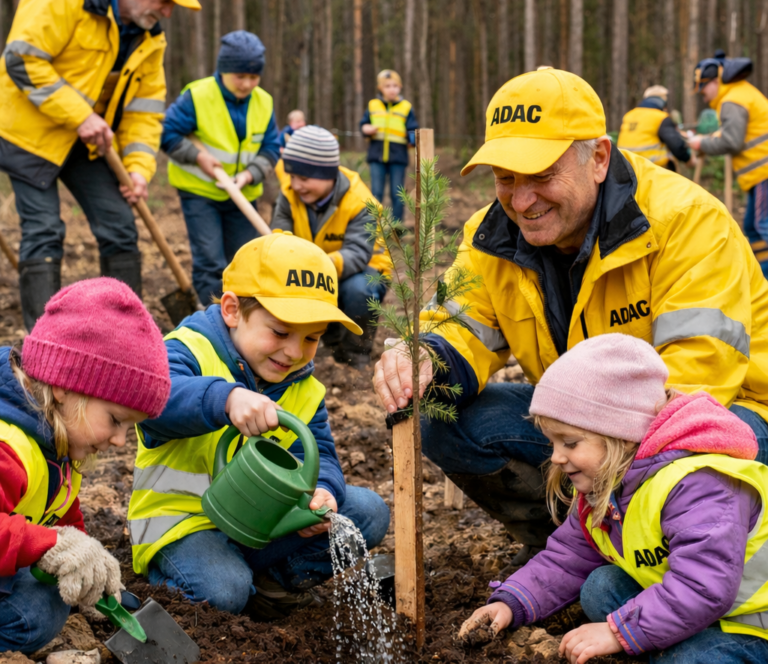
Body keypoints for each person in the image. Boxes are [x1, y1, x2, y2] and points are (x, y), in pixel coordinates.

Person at [373, 67, 768, 564]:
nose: (521, 201)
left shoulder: (685, 222)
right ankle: (566, 551)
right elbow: (461, 324)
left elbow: (696, 379)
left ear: (598, 158)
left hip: (721, 420)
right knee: (445, 417)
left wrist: (595, 441)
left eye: (542, 176)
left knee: (689, 465)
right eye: (505, 178)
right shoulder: (491, 237)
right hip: (583, 426)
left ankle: (665, 558)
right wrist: (428, 357)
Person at [460, 334, 768, 664]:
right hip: (697, 607)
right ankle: (658, 636)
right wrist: (510, 603)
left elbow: (702, 588)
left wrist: (617, 633)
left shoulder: (699, 484)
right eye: (553, 443)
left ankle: (664, 643)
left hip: (751, 625)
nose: (557, 458)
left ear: (623, 435)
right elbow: (567, 558)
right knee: (600, 587)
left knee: (690, 659)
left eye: (570, 443)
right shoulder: (606, 488)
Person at [127, 232, 390, 618]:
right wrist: (225, 399)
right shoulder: (188, 350)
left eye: (312, 338)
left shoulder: (303, 387)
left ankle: (270, 584)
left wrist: (322, 491)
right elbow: (152, 401)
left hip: (257, 523)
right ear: (232, 310)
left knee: (368, 511)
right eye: (280, 332)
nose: (294, 352)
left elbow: (319, 453)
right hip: (180, 523)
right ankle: (177, 584)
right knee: (223, 590)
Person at [0, 0, 201, 331]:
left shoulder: (150, 39)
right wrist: (80, 116)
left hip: (87, 142)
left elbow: (145, 110)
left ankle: (124, 335)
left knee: (119, 226)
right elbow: (21, 58)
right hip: (29, 135)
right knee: (44, 230)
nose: (167, 11)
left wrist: (139, 168)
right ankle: (46, 341)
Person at [0, 278, 171, 653]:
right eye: (115, 420)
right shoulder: (8, 447)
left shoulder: (57, 444)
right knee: (36, 611)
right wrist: (48, 545)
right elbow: (49, 535)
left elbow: (59, 510)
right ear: (64, 386)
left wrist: (89, 565)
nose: (121, 440)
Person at [161, 31, 281, 306]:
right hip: (200, 193)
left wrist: (250, 174)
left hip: (243, 194)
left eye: (254, 77)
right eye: (240, 76)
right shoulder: (198, 96)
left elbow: (271, 147)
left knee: (243, 261)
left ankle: (240, 319)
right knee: (210, 262)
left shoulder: (264, 101)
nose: (247, 84)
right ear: (223, 70)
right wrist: (198, 157)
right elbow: (167, 133)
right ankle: (211, 318)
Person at [270, 126, 390, 367]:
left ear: (328, 175)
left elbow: (357, 254)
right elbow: (279, 238)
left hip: (364, 271)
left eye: (304, 178)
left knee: (358, 292)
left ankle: (356, 353)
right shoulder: (289, 194)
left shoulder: (360, 202)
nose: (296, 185)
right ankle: (330, 343)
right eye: (292, 176)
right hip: (313, 269)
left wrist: (313, 268)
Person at [688, 52, 768, 278]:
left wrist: (701, 143)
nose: (703, 97)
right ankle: (764, 279)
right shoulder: (740, 94)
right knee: (752, 227)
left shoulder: (732, 100)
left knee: (763, 225)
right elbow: (733, 133)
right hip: (759, 176)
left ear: (715, 81)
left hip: (764, 173)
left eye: (703, 89)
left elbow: (732, 141)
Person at [360, 70, 419, 223]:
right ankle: (372, 228)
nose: (392, 89)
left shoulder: (406, 107)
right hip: (376, 156)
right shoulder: (373, 105)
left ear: (400, 87)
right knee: (376, 193)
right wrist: (366, 129)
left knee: (397, 194)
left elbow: (413, 130)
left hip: (398, 157)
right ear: (380, 88)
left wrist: (411, 137)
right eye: (387, 86)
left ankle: (396, 230)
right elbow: (363, 125)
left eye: (395, 86)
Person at [616, 85, 690, 170]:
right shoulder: (660, 117)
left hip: (625, 169)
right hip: (651, 170)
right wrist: (688, 158)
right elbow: (676, 145)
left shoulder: (629, 115)